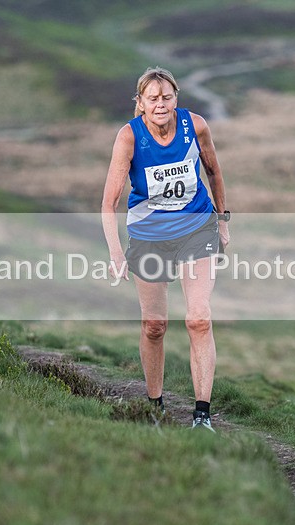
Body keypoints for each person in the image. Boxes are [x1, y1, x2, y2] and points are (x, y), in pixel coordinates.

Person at [101, 67, 230, 431]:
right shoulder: (129, 137)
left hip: (196, 227)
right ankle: (155, 405)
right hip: (149, 235)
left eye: (167, 98)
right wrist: (115, 253)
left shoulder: (196, 126)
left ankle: (202, 415)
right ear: (140, 103)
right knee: (154, 325)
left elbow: (214, 172)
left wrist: (223, 219)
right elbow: (108, 203)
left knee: (199, 319)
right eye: (153, 99)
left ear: (177, 98)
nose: (161, 105)